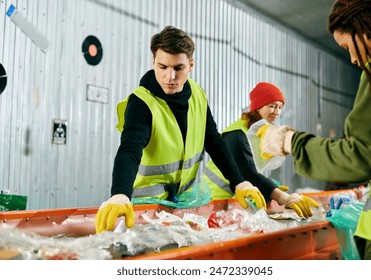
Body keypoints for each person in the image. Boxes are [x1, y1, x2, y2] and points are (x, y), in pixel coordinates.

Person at [95, 26, 266, 233]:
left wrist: (239, 182)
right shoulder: (141, 103)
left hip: (185, 204)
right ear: (153, 63)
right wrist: (120, 194)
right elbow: (129, 150)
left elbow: (213, 141)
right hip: (147, 210)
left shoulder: (197, 95)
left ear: (191, 65)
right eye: (163, 67)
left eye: (178, 68)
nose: (170, 76)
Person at [257, 0, 371, 260]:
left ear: (364, 28)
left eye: (347, 47)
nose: (352, 59)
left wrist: (291, 142)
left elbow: (360, 156)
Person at [202, 82, 319, 218]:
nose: (277, 112)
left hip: (234, 201)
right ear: (257, 107)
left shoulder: (255, 133)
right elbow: (248, 173)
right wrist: (283, 198)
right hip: (215, 202)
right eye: (272, 106)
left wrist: (268, 189)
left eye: (280, 107)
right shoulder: (236, 134)